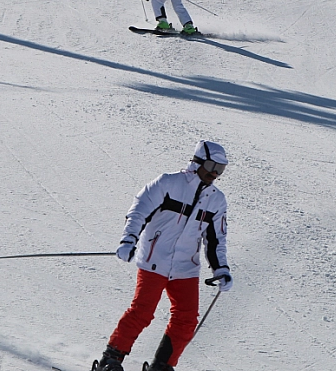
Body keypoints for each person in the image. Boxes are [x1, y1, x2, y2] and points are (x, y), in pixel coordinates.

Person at [96, 141, 233, 371]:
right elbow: (139, 211)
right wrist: (129, 239)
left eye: (220, 169)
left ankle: (162, 366)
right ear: (196, 162)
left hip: (186, 267)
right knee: (142, 312)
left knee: (187, 320)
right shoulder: (168, 183)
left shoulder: (216, 200)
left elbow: (216, 239)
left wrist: (221, 269)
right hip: (154, 260)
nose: (214, 173)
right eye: (211, 165)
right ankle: (111, 360)